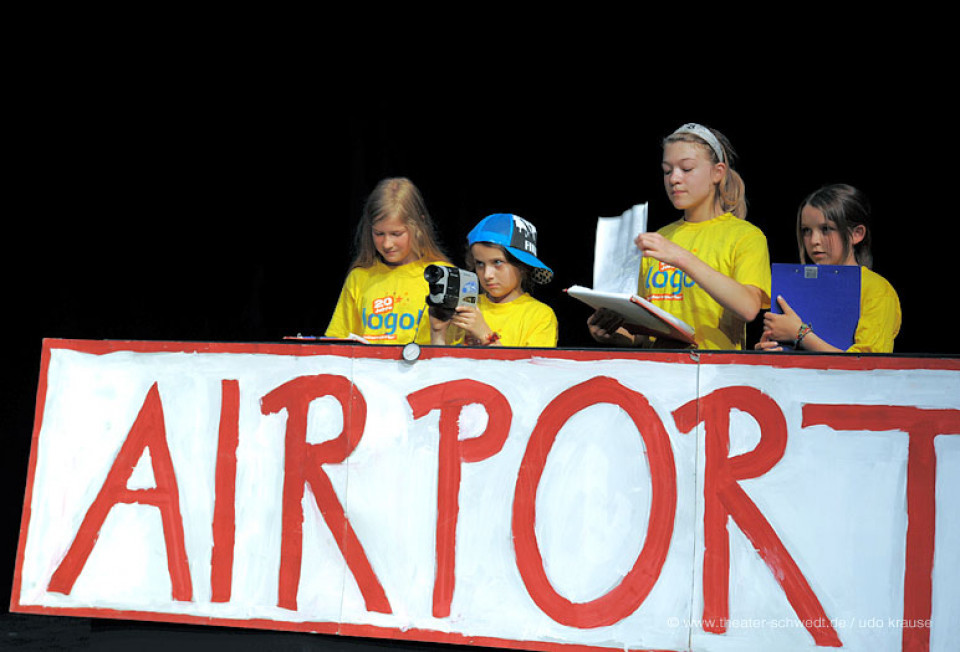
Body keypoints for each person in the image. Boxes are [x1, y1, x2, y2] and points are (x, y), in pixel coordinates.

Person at [588, 123, 771, 349]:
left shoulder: (745, 235)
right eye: (667, 170)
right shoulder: (660, 238)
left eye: (686, 169)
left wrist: (682, 258)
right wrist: (613, 335)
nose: (674, 179)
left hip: (713, 374)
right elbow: (647, 334)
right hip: (658, 372)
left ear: (717, 172)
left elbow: (748, 307)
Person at [756, 184, 901, 353]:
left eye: (826, 229)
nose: (814, 240)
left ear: (857, 233)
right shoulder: (797, 287)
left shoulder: (877, 290)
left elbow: (866, 366)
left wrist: (800, 334)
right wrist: (767, 351)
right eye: (806, 231)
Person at [325, 177, 450, 344]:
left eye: (396, 234)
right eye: (379, 234)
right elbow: (336, 342)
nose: (387, 244)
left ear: (419, 225)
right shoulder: (359, 278)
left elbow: (457, 348)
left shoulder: (442, 275)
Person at [430, 213, 558, 347]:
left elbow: (533, 368)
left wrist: (486, 336)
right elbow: (444, 365)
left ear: (522, 265)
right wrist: (438, 333)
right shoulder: (466, 306)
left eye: (497, 262)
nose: (487, 275)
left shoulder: (540, 316)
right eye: (480, 264)